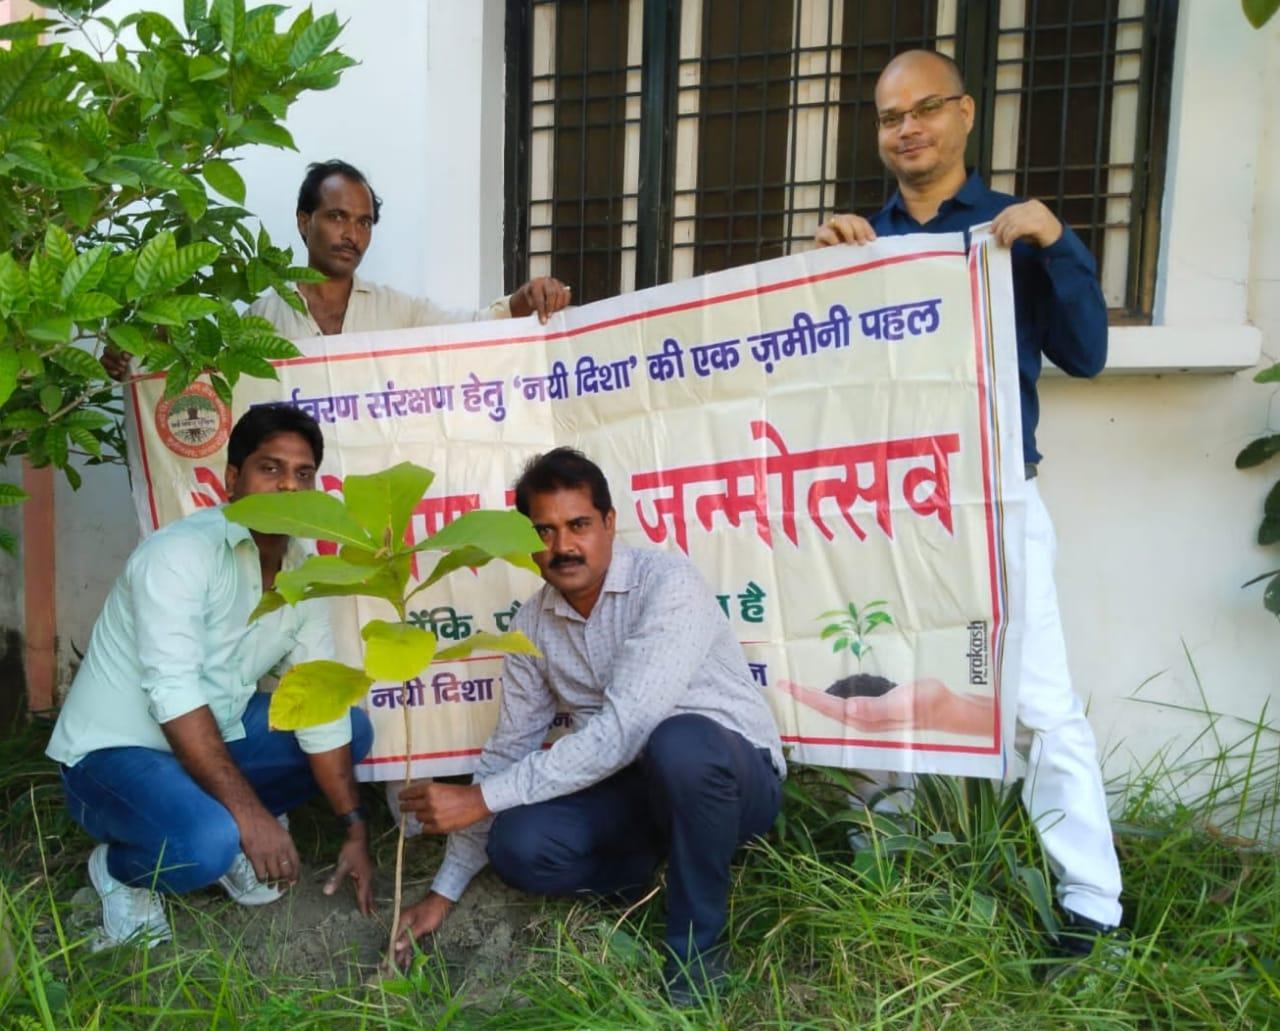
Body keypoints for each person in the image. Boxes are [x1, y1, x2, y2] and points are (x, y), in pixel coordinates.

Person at [814, 49, 1122, 955]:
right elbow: (817, 389)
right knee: (879, 682)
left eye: (925, 108)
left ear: (966, 113)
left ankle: (1092, 904)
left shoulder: (1011, 231)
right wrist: (819, 279)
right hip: (886, 505)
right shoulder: (858, 242)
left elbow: (1087, 355)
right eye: (889, 116)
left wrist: (1057, 242)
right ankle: (880, 866)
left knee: (1039, 701)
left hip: (995, 500)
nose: (906, 128)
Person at [390, 448, 785, 1004]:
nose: (563, 546)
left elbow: (626, 729)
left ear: (609, 523)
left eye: (578, 525)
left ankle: (694, 959)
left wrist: (478, 799)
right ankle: (647, 878)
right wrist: (443, 891)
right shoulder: (532, 625)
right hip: (639, 788)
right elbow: (509, 749)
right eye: (544, 531)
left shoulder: (667, 583)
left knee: (679, 743)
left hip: (732, 780)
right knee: (518, 844)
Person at [46, 405, 375, 949]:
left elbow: (317, 696)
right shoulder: (179, 554)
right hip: (112, 755)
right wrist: (252, 819)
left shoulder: (304, 568)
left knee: (350, 728)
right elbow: (173, 693)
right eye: (270, 469)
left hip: (211, 736)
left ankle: (221, 823)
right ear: (232, 479)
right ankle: (121, 870)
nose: (288, 486)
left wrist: (355, 828)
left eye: (303, 474)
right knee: (206, 843)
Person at [101, 158, 572, 375]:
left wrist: (523, 300)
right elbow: (205, 386)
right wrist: (138, 358)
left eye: (364, 222)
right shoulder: (261, 320)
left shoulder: (398, 311)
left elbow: (472, 330)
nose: (352, 234)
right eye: (337, 217)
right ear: (304, 221)